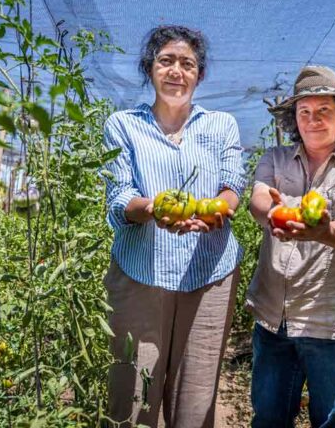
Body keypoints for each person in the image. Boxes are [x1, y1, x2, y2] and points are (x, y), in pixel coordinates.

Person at [101, 25, 246, 428]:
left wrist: (217, 210)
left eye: (188, 64)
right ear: (150, 68)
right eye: (166, 61)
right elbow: (119, 197)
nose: (176, 71)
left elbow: (233, 184)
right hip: (141, 273)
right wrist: (152, 209)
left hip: (210, 274)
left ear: (199, 74)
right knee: (132, 394)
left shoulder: (221, 125)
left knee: (195, 401)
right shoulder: (123, 125)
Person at [246, 65, 335, 428]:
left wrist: (323, 232)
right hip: (274, 319)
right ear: (294, 119)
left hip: (333, 323)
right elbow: (258, 201)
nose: (313, 120)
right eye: (304, 112)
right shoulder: (274, 159)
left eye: (324, 110)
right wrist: (276, 213)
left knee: (332, 423)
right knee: (269, 419)